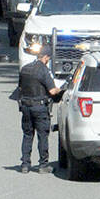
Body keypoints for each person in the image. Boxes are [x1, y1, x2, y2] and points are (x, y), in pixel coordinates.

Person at [17, 45, 63, 173]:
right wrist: (62, 90)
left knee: (27, 135)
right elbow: (53, 91)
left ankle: (25, 164)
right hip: (40, 107)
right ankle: (43, 165)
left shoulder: (25, 69)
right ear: (46, 57)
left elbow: (20, 88)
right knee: (42, 136)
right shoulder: (43, 70)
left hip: (26, 106)